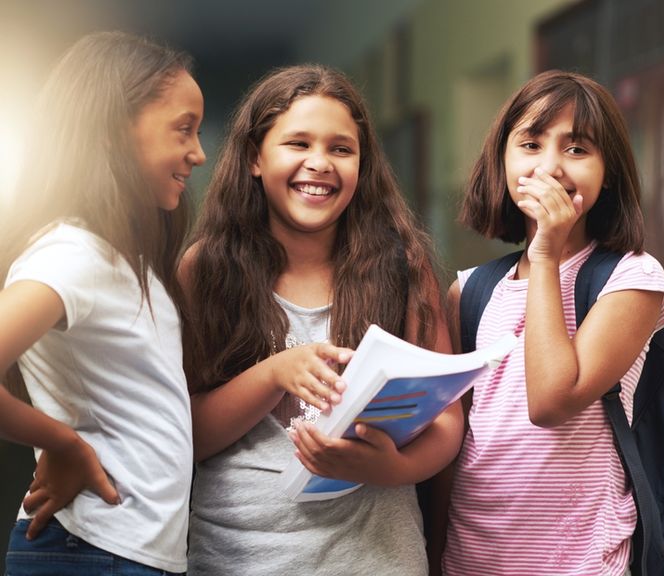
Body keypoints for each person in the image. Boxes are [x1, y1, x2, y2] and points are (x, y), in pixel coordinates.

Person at [180, 64, 464, 576]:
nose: (320, 163)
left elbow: (447, 422)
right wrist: (274, 373)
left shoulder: (402, 265)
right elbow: (187, 435)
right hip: (238, 557)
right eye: (297, 144)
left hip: (378, 558)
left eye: (341, 148)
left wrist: (391, 467)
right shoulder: (206, 269)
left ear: (362, 164)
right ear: (254, 158)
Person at [441, 70, 664, 576]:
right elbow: (451, 440)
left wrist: (545, 254)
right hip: (472, 559)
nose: (550, 166)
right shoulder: (471, 291)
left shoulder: (632, 278)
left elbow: (551, 400)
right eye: (530, 144)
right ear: (502, 160)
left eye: (577, 149)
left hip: (582, 561)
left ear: (608, 170)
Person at [0, 31, 206, 575]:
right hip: (91, 550)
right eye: (183, 129)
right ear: (116, 129)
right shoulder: (73, 253)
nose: (199, 152)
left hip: (122, 552)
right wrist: (62, 444)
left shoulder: (121, 260)